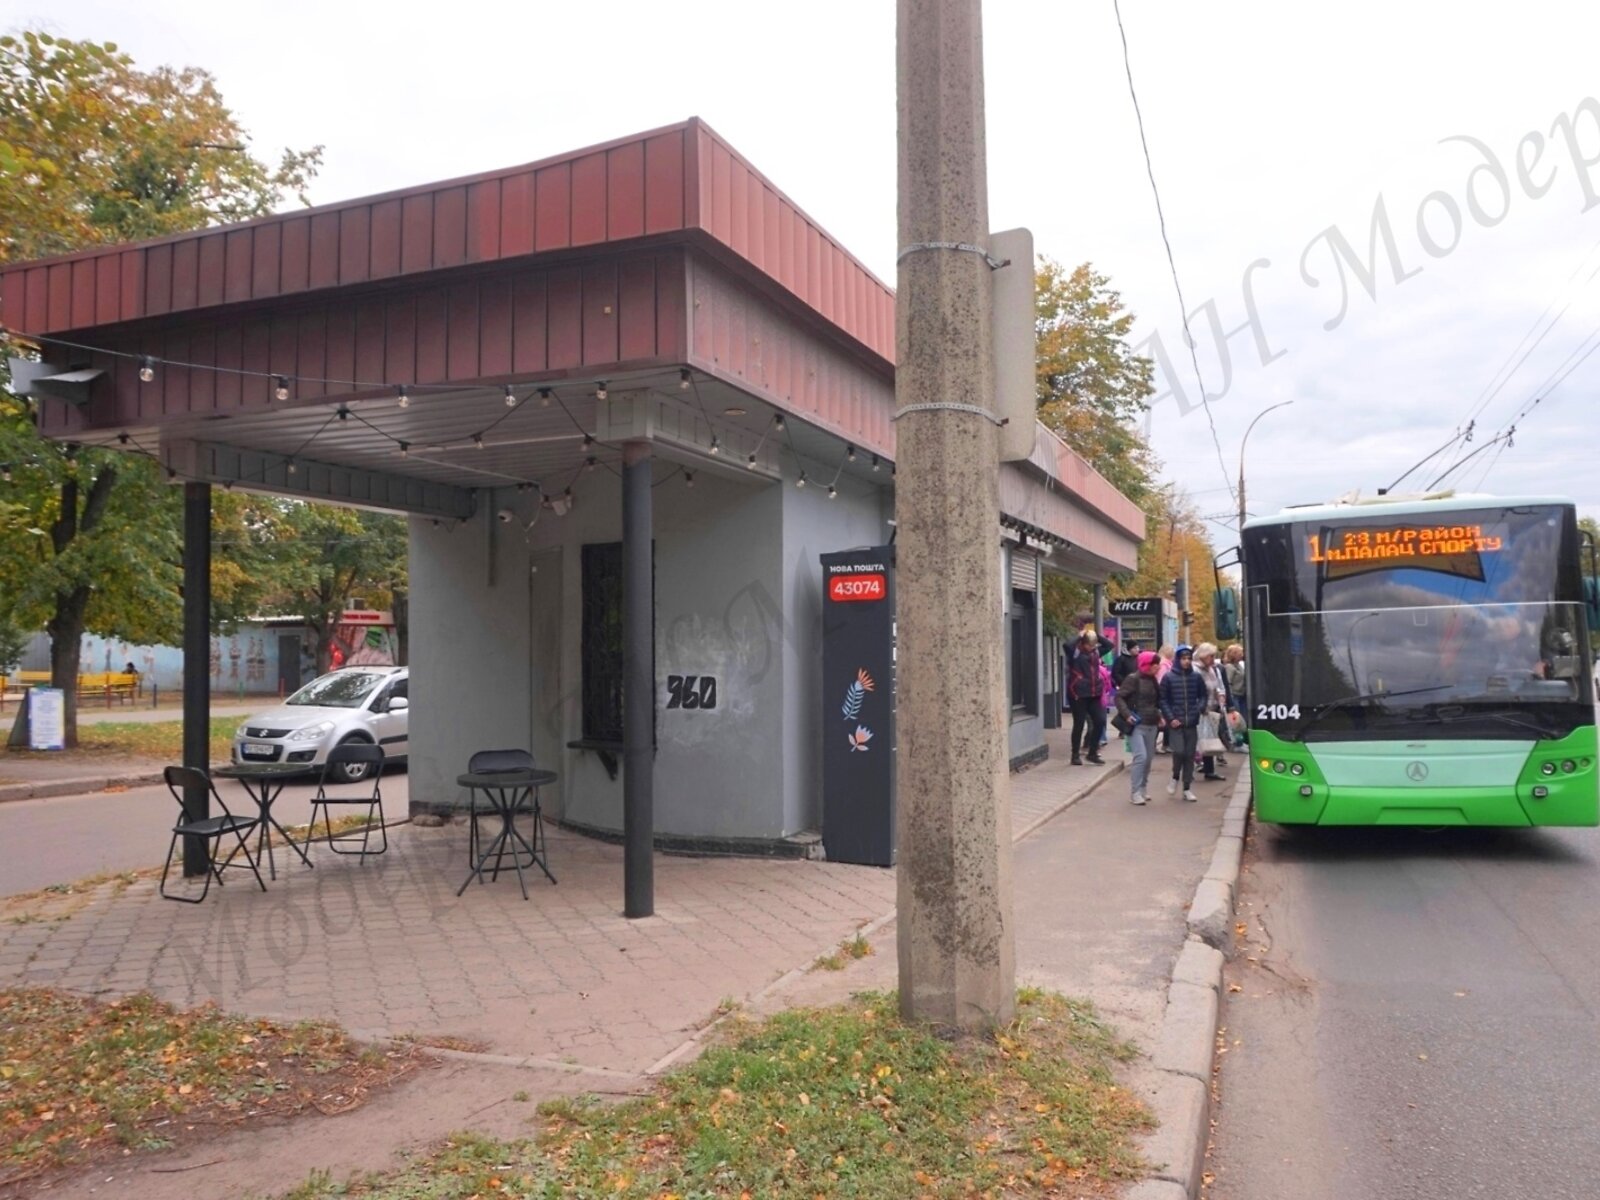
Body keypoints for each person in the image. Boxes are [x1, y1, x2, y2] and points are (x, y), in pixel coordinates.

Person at [1159, 644, 1207, 801]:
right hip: (1176, 722)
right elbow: (1163, 700)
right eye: (1183, 659)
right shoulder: (1168, 677)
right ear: (1177, 660)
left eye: (1188, 658)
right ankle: (1174, 777)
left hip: (1191, 722)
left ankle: (1187, 787)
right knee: (1178, 751)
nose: (1186, 662)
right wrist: (1170, 718)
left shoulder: (1196, 677)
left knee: (1189, 755)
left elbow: (1203, 696)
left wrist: (1198, 708)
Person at [1116, 650, 1163, 805]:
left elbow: (1158, 701)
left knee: (1148, 759)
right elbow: (1120, 697)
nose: (1157, 667)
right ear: (1146, 665)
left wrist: (1160, 716)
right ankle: (1135, 792)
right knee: (1141, 757)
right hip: (1136, 724)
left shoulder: (1153, 680)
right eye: (1154, 664)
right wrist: (1127, 714)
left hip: (1152, 724)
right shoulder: (1133, 679)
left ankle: (1143, 788)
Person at [1066, 629, 1106, 766]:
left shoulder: (1096, 652)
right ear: (1083, 644)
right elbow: (1067, 645)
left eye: (1094, 645)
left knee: (1100, 721)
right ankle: (1075, 755)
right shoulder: (1075, 654)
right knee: (1079, 724)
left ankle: (1092, 752)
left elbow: (1109, 645)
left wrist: (1095, 635)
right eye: (1089, 644)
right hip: (1078, 694)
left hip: (1094, 693)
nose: (1092, 647)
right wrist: (1080, 636)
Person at [1193, 643, 1231, 781]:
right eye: (1211, 656)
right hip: (1199, 710)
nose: (1213, 659)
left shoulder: (1212, 670)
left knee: (1210, 740)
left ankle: (1209, 769)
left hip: (1212, 709)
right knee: (1198, 740)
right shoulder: (1195, 670)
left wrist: (1220, 694)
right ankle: (1192, 767)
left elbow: (1219, 685)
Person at [1222, 644, 1247, 748]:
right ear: (1234, 654)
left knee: (1242, 721)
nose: (1242, 655)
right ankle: (1238, 744)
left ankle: (1242, 742)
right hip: (1234, 696)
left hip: (1242, 696)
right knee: (1235, 722)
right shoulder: (1229, 667)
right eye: (1240, 653)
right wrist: (1230, 699)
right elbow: (1228, 683)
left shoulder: (1239, 666)